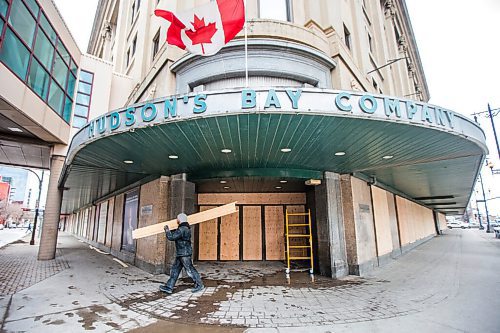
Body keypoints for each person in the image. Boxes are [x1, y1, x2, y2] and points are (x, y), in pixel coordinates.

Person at [159, 213, 204, 294]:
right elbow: (176, 235)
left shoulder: (182, 229)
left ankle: (199, 284)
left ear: (179, 220)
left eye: (177, 219)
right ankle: (169, 287)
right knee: (175, 270)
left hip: (184, 254)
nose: (176, 220)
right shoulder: (184, 228)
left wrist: (167, 230)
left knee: (190, 269)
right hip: (182, 253)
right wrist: (172, 230)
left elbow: (171, 237)